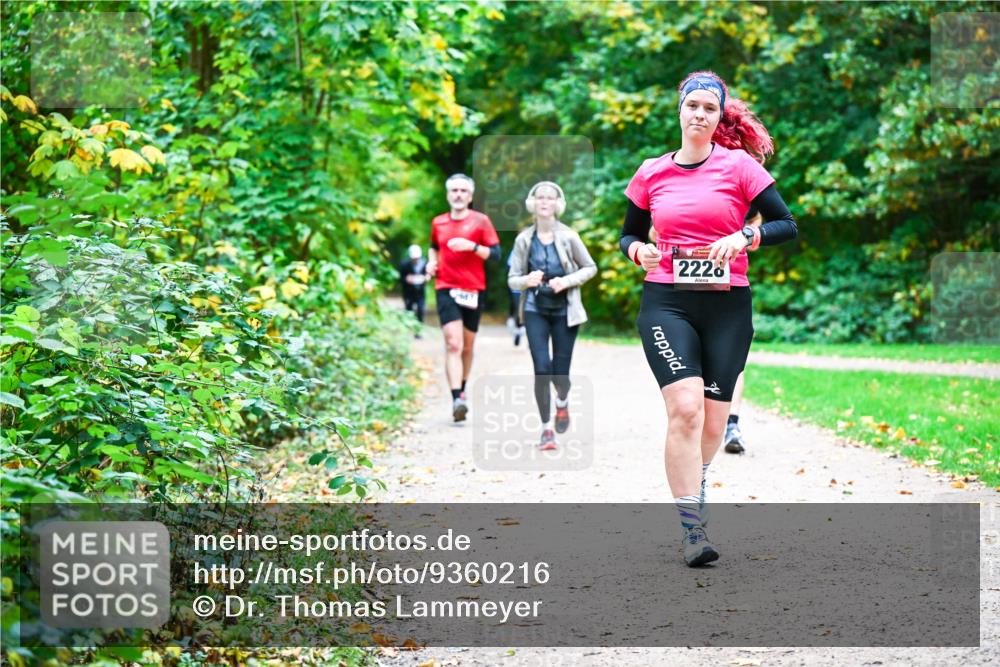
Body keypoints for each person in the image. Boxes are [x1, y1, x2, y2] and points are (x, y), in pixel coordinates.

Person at [620, 71, 797, 566]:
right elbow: (628, 234)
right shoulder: (651, 171)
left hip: (727, 304)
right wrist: (638, 251)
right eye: (692, 105)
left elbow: (787, 224)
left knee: (714, 424)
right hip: (667, 301)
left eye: (709, 108)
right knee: (685, 410)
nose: (699, 114)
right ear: (679, 110)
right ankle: (691, 528)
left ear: (719, 117)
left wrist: (744, 238)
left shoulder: (739, 167)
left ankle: (696, 482)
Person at [508, 181, 597, 450]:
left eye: (550, 198)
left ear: (557, 204)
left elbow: (590, 267)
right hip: (535, 309)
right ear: (532, 203)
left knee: (560, 374)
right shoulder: (524, 239)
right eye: (540, 197)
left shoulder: (570, 236)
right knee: (541, 369)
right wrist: (527, 280)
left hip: (564, 311)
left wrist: (567, 281)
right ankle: (546, 429)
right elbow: (512, 279)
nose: (545, 202)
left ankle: (562, 401)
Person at [426, 173, 501, 422]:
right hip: (445, 287)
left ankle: (463, 390)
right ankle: (456, 398)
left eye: (463, 191)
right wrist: (431, 263)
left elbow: (496, 254)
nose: (458, 195)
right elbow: (434, 246)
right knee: (453, 343)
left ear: (470, 196)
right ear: (448, 195)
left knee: (468, 346)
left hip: (473, 289)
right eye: (454, 191)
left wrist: (471, 247)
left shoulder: (481, 221)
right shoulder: (438, 222)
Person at [399, 244, 428, 335]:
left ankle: (418, 330)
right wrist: (407, 279)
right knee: (408, 310)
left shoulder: (424, 264)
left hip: (420, 292)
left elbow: (428, 276)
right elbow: (401, 278)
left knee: (420, 310)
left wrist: (425, 278)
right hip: (408, 292)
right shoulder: (404, 264)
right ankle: (408, 329)